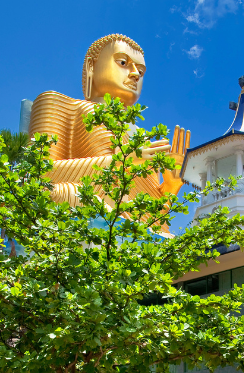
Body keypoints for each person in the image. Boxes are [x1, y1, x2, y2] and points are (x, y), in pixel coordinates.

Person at [28, 34, 189, 234]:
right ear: (91, 65)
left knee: (167, 237)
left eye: (141, 71)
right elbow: (36, 178)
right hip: (88, 215)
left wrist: (170, 188)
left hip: (134, 235)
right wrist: (121, 162)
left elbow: (152, 218)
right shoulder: (58, 104)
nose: (135, 74)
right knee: (70, 195)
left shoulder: (143, 139)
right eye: (123, 63)